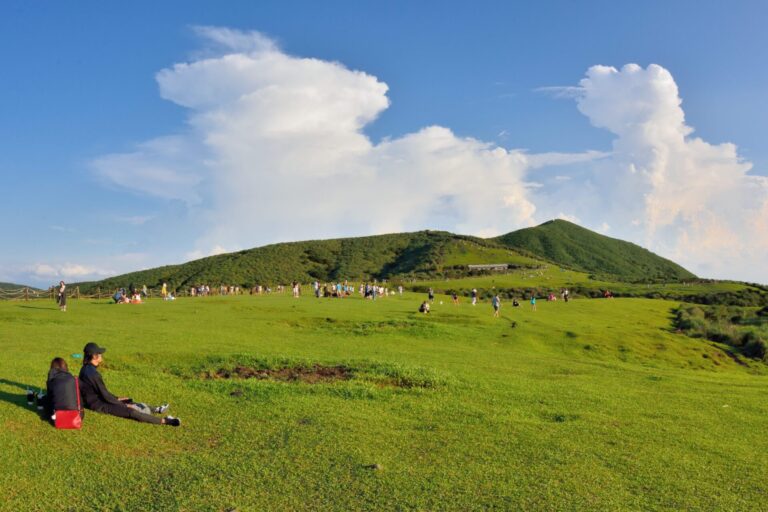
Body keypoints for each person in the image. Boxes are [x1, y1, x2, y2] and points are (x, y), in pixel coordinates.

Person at [78, 342, 179, 427]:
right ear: (94, 356)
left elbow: (101, 392)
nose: (101, 355)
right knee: (131, 411)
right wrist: (122, 404)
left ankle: (157, 409)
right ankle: (167, 421)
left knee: (128, 400)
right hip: (98, 405)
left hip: (98, 400)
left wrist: (118, 398)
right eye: (100, 354)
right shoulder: (93, 374)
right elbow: (105, 395)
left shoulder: (86, 369)